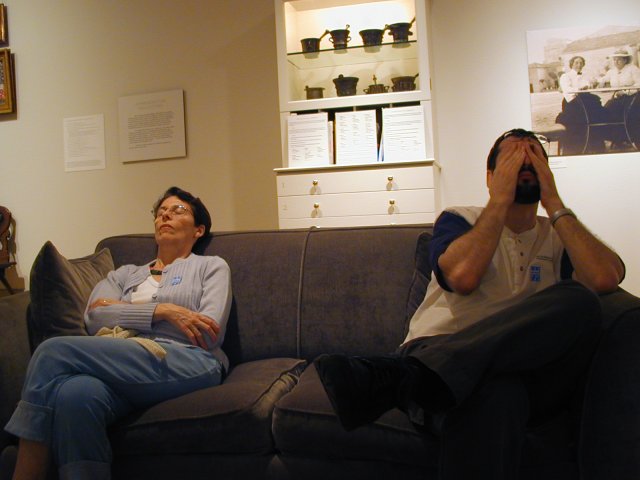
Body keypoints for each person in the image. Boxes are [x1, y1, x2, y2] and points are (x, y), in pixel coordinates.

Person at [314, 129, 625, 479]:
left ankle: (410, 377)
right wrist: (500, 200)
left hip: (525, 369)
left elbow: (604, 278)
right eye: (512, 160)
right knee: (498, 395)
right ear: (490, 177)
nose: (524, 164)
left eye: (535, 159)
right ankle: (431, 374)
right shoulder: (460, 218)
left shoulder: (558, 235)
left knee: (581, 301)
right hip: (441, 347)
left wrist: (554, 202)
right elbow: (463, 277)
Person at [5, 186, 232, 480]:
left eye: (178, 210)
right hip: (124, 360)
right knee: (75, 395)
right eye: (161, 211)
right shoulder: (125, 274)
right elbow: (94, 317)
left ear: (198, 230)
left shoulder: (211, 267)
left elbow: (208, 331)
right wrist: (162, 311)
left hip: (191, 359)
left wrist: (122, 309)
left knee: (52, 351)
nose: (165, 215)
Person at [555, 55, 608, 154]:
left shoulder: (585, 76)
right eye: (576, 63)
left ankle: (594, 142)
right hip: (572, 102)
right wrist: (579, 89)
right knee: (578, 119)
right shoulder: (566, 76)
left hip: (586, 100)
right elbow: (567, 89)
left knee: (597, 112)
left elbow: (590, 85)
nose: (579, 65)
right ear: (571, 64)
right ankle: (578, 145)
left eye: (581, 63)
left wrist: (591, 85)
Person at [597, 48, 640, 150]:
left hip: (633, 97)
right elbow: (603, 79)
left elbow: (639, 83)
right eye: (615, 60)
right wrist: (596, 81)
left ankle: (630, 138)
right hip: (617, 98)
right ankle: (617, 139)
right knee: (606, 111)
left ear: (625, 60)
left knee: (628, 114)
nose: (616, 62)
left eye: (619, 59)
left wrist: (625, 91)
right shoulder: (612, 71)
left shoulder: (633, 69)